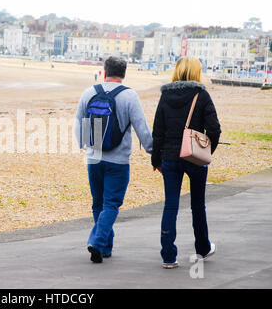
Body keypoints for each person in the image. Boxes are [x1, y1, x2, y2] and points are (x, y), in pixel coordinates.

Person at [75, 56, 153, 263]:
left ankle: (105, 248)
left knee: (98, 203)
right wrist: (152, 150)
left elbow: (79, 121)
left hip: (94, 158)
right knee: (111, 204)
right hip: (118, 161)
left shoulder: (89, 92)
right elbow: (141, 127)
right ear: (124, 73)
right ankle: (98, 243)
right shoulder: (130, 96)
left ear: (104, 71)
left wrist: (84, 146)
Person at [151, 57, 221, 269]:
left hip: (170, 158)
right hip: (195, 158)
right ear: (196, 72)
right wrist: (206, 153)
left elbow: (158, 131)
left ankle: (168, 256)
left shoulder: (165, 95)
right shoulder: (201, 94)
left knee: (170, 205)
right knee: (198, 205)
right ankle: (202, 248)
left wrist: (156, 160)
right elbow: (215, 129)